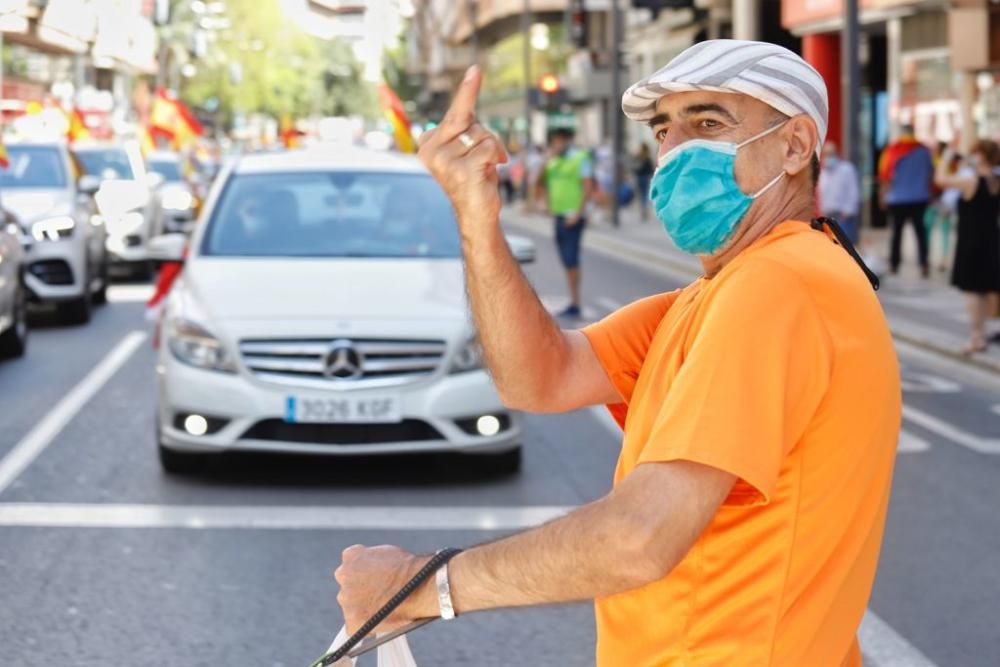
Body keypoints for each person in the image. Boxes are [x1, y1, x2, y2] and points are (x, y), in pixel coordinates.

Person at [334, 41, 900, 667]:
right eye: (665, 130)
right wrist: (477, 216)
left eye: (708, 124)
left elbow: (638, 539)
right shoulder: (718, 294)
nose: (677, 151)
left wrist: (418, 587)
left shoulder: (778, 284)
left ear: (795, 146)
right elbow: (539, 380)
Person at [934, 140, 1000, 355]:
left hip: (972, 240)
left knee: (972, 290)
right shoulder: (995, 180)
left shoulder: (971, 180)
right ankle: (981, 334)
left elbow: (940, 180)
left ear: (981, 155)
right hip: (992, 239)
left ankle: (976, 336)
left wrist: (947, 157)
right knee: (984, 288)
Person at [537, 127, 594, 318]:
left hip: (573, 218)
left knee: (571, 259)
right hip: (558, 216)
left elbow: (587, 187)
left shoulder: (580, 158)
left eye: (560, 140)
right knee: (565, 260)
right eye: (554, 141)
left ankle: (575, 302)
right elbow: (539, 182)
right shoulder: (552, 161)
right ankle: (573, 300)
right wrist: (544, 202)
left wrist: (578, 213)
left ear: (568, 141)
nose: (557, 144)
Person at [879, 124, 934, 277]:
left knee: (897, 233)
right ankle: (923, 264)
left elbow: (885, 176)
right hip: (920, 198)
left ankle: (894, 264)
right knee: (920, 232)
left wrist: (882, 196)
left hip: (898, 199)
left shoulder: (892, 150)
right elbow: (931, 174)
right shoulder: (925, 151)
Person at [818, 141, 861, 242]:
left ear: (837, 153)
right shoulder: (822, 172)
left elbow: (853, 191)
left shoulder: (846, 169)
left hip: (844, 216)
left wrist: (847, 212)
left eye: (831, 153)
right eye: (826, 154)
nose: (829, 157)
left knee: (846, 248)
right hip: (827, 216)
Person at [633, 143, 655, 221]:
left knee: (642, 194)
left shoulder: (638, 157)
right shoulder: (647, 158)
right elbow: (651, 168)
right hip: (645, 177)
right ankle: (644, 209)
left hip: (640, 177)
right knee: (645, 194)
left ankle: (643, 209)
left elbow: (634, 167)